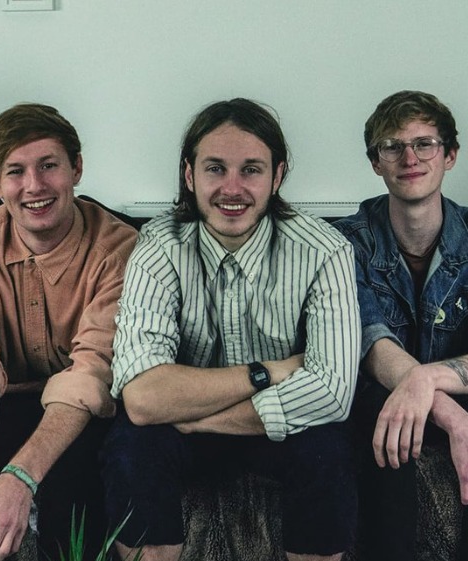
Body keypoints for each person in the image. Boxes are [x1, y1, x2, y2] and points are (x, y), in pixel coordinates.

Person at [104, 98, 361, 561]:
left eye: (251, 170)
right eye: (215, 168)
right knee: (129, 450)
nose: (232, 188)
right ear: (189, 175)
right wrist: (269, 371)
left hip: (241, 425)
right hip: (191, 427)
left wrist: (199, 419)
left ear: (277, 176)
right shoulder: (159, 247)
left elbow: (332, 392)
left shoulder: (325, 251)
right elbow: (141, 397)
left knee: (326, 451)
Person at [0, 103, 137, 561]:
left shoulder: (120, 250)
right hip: (7, 397)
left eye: (48, 166)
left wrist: (20, 478)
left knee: (76, 469)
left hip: (85, 408)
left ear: (76, 169)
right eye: (15, 172)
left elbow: (91, 371)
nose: (35, 186)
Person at [334, 90, 468, 561]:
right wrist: (454, 419)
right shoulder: (346, 242)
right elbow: (369, 343)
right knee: (378, 402)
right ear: (375, 162)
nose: (410, 158)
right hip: (384, 395)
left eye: (424, 144)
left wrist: (426, 382)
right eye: (392, 147)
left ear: (450, 155)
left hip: (464, 391)